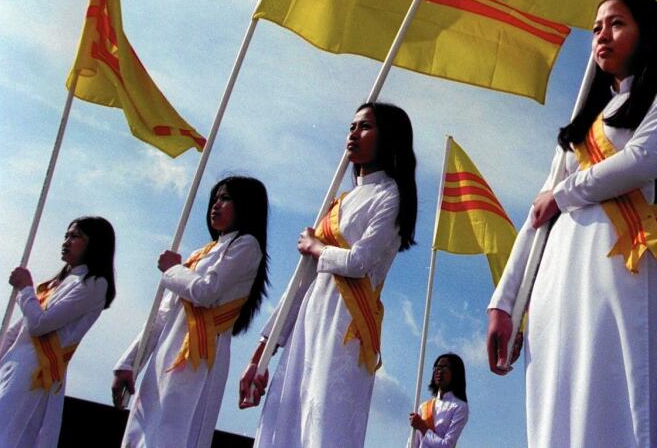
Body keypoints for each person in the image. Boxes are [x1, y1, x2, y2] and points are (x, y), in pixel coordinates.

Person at [485, 0, 657, 447]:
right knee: (555, 396)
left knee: (614, 393)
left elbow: (641, 162)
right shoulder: (585, 123)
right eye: (597, 26)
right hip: (558, 275)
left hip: (623, 264)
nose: (602, 35)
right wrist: (505, 302)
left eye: (617, 24)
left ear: (648, 34)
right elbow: (539, 212)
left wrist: (563, 195)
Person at [242, 101, 418, 447]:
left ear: (389, 137)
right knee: (285, 421)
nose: (353, 133)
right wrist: (262, 352)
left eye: (365, 126)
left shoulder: (390, 196)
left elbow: (359, 262)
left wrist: (316, 247)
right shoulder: (337, 203)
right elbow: (301, 283)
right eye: (351, 126)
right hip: (309, 322)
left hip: (346, 328)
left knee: (324, 425)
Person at [112, 176, 269, 447]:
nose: (216, 205)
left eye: (226, 198)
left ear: (246, 205)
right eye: (215, 198)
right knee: (144, 430)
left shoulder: (247, 246)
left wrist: (172, 270)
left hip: (202, 351)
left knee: (177, 430)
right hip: (168, 349)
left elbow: (207, 291)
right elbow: (162, 316)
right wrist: (129, 363)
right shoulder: (200, 253)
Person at [0, 216, 116, 448]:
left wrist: (25, 288)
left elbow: (40, 325)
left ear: (95, 243)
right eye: (66, 235)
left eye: (75, 236)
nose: (67, 241)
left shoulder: (94, 283)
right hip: (11, 365)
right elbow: (16, 331)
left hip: (37, 371)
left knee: (8, 437)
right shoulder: (55, 284)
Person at [408, 352, 470, 447]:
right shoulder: (424, 406)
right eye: (437, 367)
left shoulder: (459, 407)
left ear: (455, 373)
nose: (439, 371)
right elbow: (412, 443)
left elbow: (446, 445)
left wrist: (422, 426)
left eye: (445, 367)